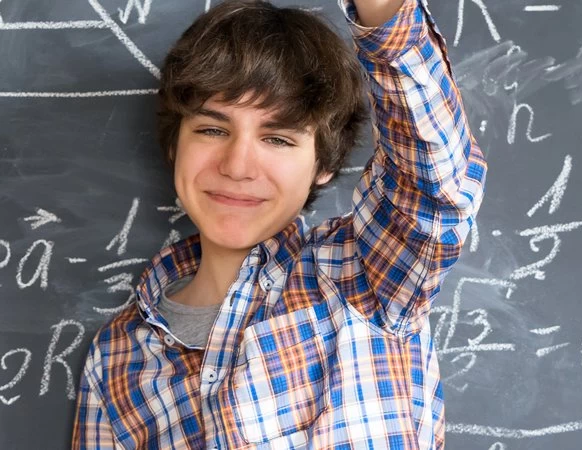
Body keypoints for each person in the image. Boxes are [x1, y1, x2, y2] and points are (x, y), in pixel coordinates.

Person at [72, 0, 486, 447]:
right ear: (175, 144)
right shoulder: (117, 355)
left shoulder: (363, 274)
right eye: (212, 130)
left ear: (323, 165)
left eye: (277, 138)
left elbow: (435, 184)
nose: (237, 166)